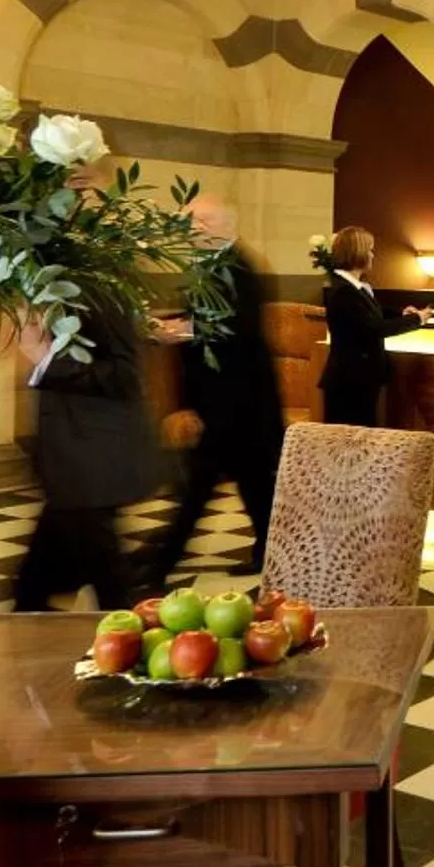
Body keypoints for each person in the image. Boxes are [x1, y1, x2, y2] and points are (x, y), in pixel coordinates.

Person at [149, 196, 286, 585]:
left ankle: (160, 563)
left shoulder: (239, 269)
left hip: (239, 403)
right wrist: (173, 324)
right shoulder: (210, 265)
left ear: (225, 226)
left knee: (202, 488)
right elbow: (206, 318)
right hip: (228, 404)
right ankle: (269, 553)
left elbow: (234, 328)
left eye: (201, 220)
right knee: (251, 484)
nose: (192, 227)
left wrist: (179, 331)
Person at [15, 295, 158, 612]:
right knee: (34, 587)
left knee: (108, 588)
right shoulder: (61, 287)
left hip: (92, 464)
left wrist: (47, 361)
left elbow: (123, 373)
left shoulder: (98, 293)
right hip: (73, 467)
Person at [320, 225, 433, 426]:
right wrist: (417, 319)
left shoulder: (353, 288)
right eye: (370, 250)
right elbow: (375, 328)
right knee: (349, 438)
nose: (373, 255)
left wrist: (401, 313)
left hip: (358, 380)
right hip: (349, 382)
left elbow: (372, 312)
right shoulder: (344, 291)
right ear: (357, 253)